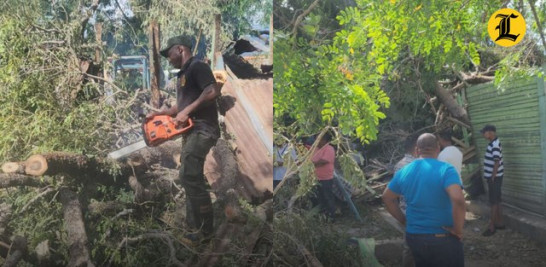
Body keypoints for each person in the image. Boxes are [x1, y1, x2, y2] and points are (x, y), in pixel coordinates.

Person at [147, 35, 221, 243]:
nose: (167, 58)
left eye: (168, 53)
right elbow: (181, 107)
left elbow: (212, 90)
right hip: (191, 130)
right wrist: (160, 115)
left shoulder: (198, 66)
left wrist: (188, 110)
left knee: (188, 173)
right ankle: (194, 228)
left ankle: (206, 231)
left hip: (203, 129)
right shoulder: (182, 76)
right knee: (189, 174)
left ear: (180, 49)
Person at [382, 133, 465, 267]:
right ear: (438, 149)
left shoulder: (404, 171)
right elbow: (458, 200)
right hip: (442, 237)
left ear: (416, 150)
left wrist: (403, 220)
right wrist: (458, 230)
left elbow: (387, 197)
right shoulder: (446, 169)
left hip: (415, 237)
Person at [394, 135, 417, 267]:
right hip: (417, 213)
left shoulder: (399, 165)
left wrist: (401, 217)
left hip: (406, 212)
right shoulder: (418, 166)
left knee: (409, 247)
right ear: (416, 148)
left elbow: (393, 194)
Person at [480, 125, 505, 237]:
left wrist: (492, 176)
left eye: (484, 132)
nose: (483, 135)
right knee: (497, 200)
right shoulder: (494, 142)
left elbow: (496, 161)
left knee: (493, 202)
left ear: (490, 132)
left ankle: (492, 227)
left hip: (494, 178)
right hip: (496, 177)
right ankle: (500, 223)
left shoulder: (494, 144)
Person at [311, 132, 336, 219]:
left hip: (326, 179)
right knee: (319, 198)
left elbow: (323, 161)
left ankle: (331, 217)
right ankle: (322, 217)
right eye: (316, 138)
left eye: (318, 139)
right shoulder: (315, 149)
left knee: (328, 197)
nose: (316, 141)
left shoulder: (329, 148)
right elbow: (310, 159)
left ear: (324, 140)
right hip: (315, 178)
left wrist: (311, 164)